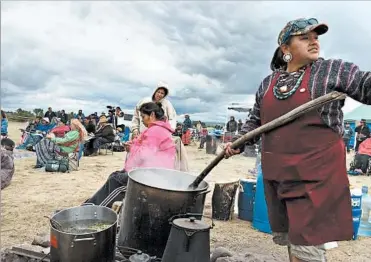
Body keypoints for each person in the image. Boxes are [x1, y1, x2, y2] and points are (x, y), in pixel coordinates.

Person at [224, 18, 371, 262]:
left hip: (316, 177)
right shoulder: (268, 83)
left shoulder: (333, 70)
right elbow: (255, 122)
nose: (314, 42)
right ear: (285, 49)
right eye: (305, 38)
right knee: (294, 240)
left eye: (316, 37)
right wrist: (238, 143)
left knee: (307, 246)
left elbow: (366, 86)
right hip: (278, 176)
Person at [85, 102, 176, 207]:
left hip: (151, 176)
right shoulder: (157, 130)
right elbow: (145, 148)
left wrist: (131, 148)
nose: (142, 119)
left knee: (116, 181)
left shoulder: (155, 131)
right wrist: (133, 144)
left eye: (143, 116)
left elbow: (144, 155)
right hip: (148, 171)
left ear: (152, 115)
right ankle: (91, 204)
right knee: (114, 176)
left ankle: (94, 209)